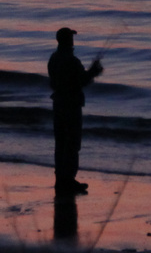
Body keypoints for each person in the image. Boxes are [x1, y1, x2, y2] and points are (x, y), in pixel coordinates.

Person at [47, 26, 102, 195]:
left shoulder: (54, 58)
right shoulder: (71, 61)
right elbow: (81, 81)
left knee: (61, 143)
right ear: (67, 41)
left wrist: (89, 73)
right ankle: (68, 180)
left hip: (58, 105)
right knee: (72, 143)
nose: (73, 41)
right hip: (71, 105)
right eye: (71, 38)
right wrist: (94, 72)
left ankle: (61, 180)